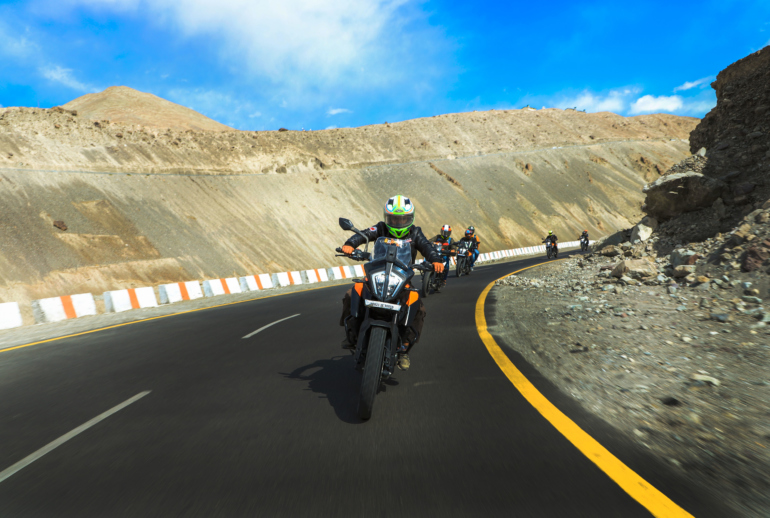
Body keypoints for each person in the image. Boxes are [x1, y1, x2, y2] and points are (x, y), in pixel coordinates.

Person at [339, 195, 443, 371]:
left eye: (403, 219)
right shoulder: (380, 227)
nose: (398, 222)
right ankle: (352, 332)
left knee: (418, 307)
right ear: (387, 217)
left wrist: (436, 260)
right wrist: (350, 244)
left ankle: (404, 348)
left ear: (410, 218)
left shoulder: (415, 232)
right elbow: (365, 234)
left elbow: (427, 247)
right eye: (394, 219)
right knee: (353, 292)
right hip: (377, 274)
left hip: (402, 278)